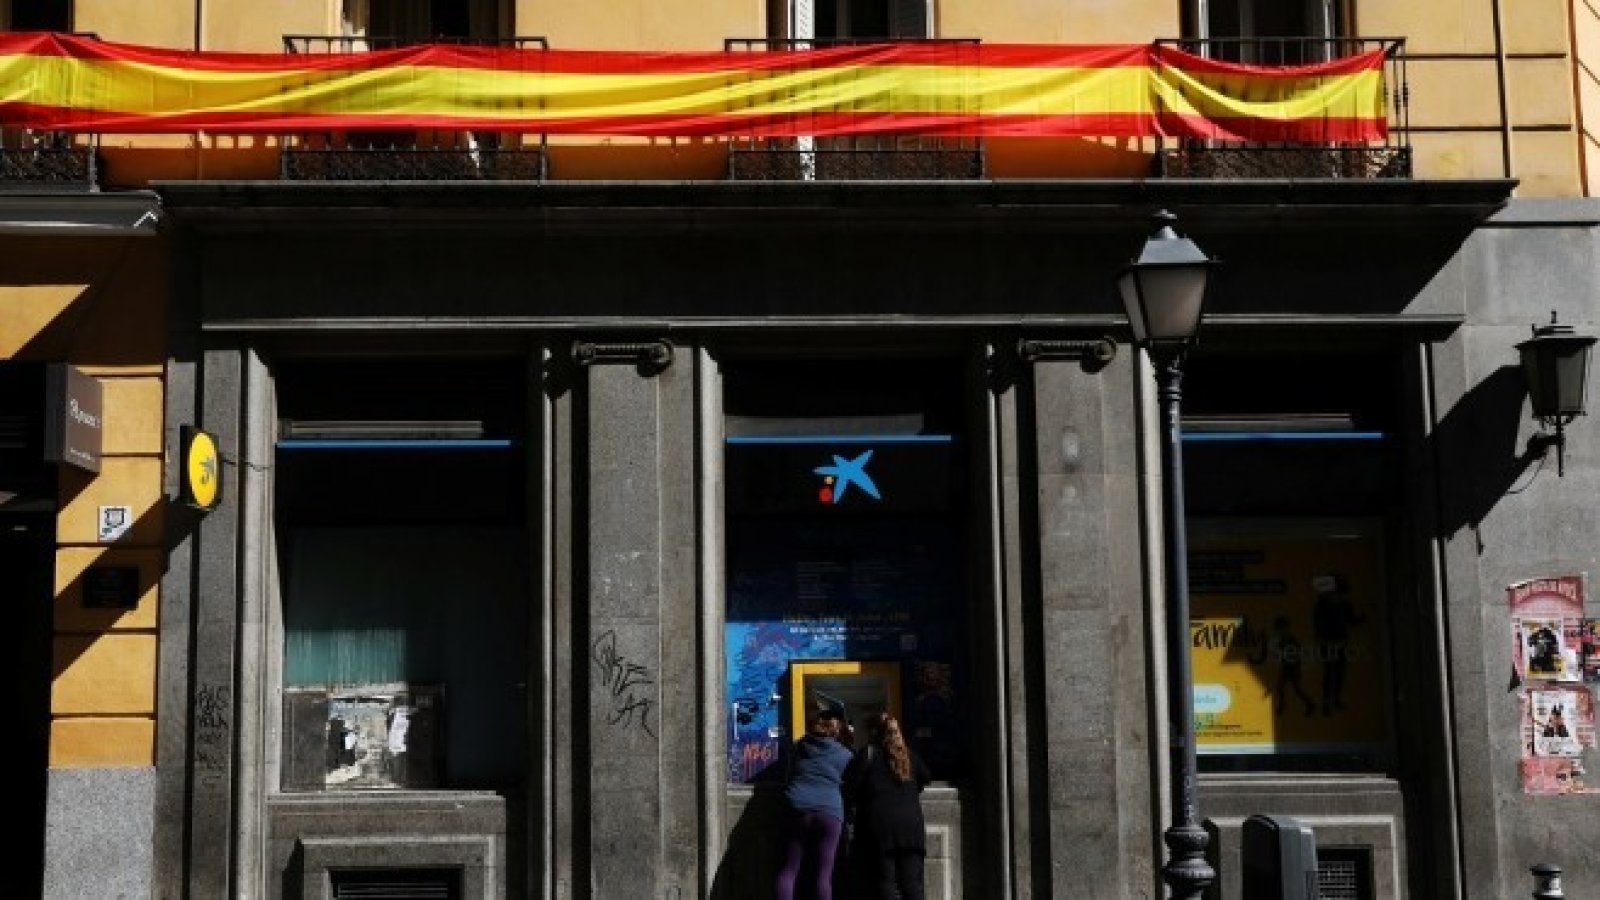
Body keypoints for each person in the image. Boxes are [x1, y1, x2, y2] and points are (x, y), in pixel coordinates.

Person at [774, 697, 856, 900]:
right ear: (836, 729)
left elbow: (787, 774)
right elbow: (852, 784)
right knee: (823, 874)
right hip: (829, 811)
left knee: (789, 869)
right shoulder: (845, 754)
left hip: (797, 806)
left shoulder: (799, 747)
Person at [846, 713, 932, 900]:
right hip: (911, 826)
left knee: (886, 882)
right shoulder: (909, 755)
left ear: (874, 733)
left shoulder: (868, 754)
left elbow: (851, 788)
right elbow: (926, 777)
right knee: (912, 883)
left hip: (880, 827)